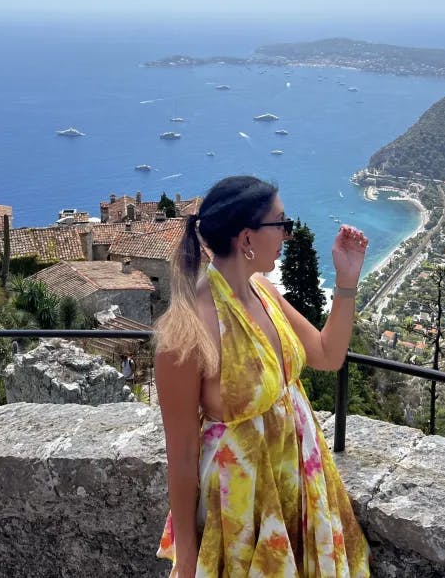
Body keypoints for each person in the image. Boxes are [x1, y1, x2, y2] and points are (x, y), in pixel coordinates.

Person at [154, 175, 370, 577]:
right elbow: (181, 457)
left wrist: (346, 280)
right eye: (282, 224)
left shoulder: (264, 292)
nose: (288, 235)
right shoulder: (185, 332)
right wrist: (186, 558)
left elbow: (327, 354)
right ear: (247, 238)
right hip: (242, 506)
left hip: (299, 481)